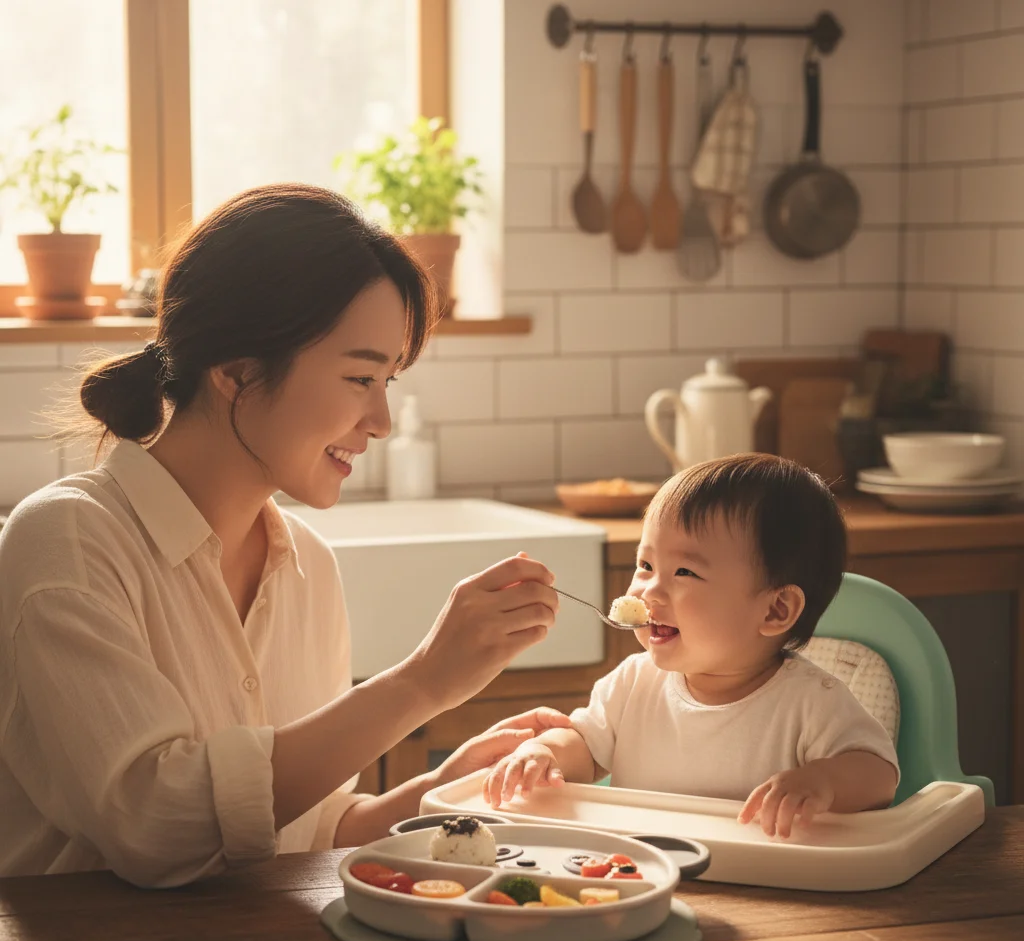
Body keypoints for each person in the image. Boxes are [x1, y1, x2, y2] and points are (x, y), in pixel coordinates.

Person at [0, 183, 567, 887]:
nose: (382, 420)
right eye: (361, 375)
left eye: (387, 379)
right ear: (238, 371)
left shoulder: (308, 567)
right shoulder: (71, 543)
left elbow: (305, 829)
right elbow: (156, 825)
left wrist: (442, 794)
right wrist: (423, 683)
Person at [483, 454, 899, 839]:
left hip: (767, 879)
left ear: (775, 610)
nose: (649, 590)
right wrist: (543, 752)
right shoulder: (632, 683)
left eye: (684, 571)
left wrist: (822, 782)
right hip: (645, 869)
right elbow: (583, 746)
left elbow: (878, 775)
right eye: (645, 565)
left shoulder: (812, 702)